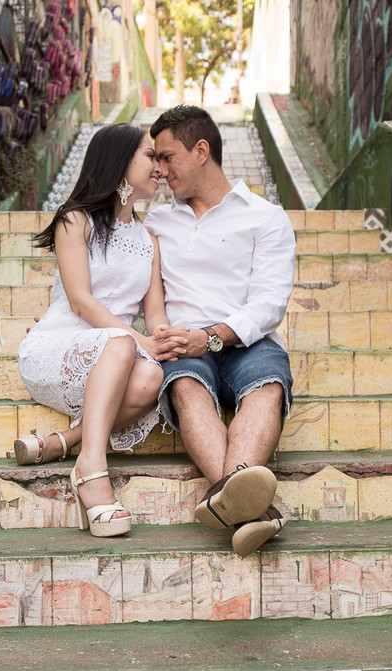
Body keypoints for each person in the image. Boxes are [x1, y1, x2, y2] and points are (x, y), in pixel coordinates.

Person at [144, 106, 296, 557]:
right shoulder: (156, 222)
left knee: (267, 388)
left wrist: (210, 337)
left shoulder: (265, 217)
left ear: (202, 150)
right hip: (184, 347)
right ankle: (255, 514)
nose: (160, 169)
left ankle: (231, 501)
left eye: (168, 157)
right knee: (187, 387)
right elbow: (128, 288)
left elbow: (268, 304)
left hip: (247, 342)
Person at [14, 123, 174, 538]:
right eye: (149, 156)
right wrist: (137, 339)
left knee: (154, 376)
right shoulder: (75, 220)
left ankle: (63, 442)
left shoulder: (148, 239)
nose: (159, 167)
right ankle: (92, 467)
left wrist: (162, 337)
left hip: (114, 350)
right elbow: (81, 302)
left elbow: (153, 312)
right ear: (119, 162)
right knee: (122, 344)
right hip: (60, 345)